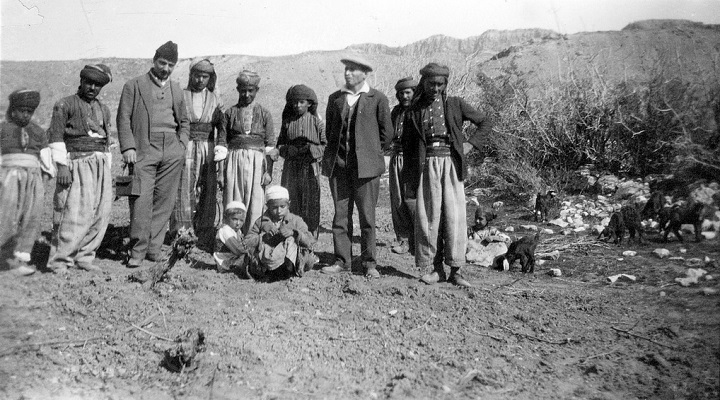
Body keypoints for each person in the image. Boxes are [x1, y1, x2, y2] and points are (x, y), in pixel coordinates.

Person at [402, 63, 492, 288]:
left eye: (440, 84)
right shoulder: (414, 110)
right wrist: (409, 177)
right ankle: (435, 269)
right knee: (430, 218)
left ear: (445, 84)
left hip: (451, 165)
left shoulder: (455, 104)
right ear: (423, 83)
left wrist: (470, 144)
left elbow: (485, 122)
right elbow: (409, 145)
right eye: (431, 84)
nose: (435, 88)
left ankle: (456, 270)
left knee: (454, 217)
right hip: (427, 166)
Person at [117, 41, 190, 268]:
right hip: (143, 148)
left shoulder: (176, 89)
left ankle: (153, 249)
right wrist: (128, 147)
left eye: (170, 65)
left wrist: (181, 145)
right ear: (154, 60)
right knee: (140, 200)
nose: (165, 68)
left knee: (164, 201)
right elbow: (123, 118)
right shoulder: (134, 85)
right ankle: (137, 250)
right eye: (162, 63)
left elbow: (184, 121)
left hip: (172, 149)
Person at [320, 55, 393, 278]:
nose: (347, 73)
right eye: (346, 69)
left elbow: (387, 135)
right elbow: (330, 132)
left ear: (365, 73)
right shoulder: (335, 99)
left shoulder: (377, 98)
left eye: (353, 69)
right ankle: (342, 261)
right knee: (341, 217)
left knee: (367, 218)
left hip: (367, 170)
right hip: (339, 168)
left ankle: (369, 264)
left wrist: (370, 153)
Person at [46, 64, 114, 274]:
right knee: (72, 213)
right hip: (75, 163)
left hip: (100, 164)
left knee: (99, 213)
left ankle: (85, 256)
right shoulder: (64, 104)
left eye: (97, 85)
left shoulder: (104, 109)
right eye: (89, 83)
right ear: (81, 81)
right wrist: (62, 167)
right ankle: (60, 260)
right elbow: (56, 136)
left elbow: (106, 141)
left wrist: (107, 169)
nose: (92, 88)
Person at [170, 58, 224, 248]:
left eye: (205, 77)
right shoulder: (181, 95)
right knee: (184, 187)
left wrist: (220, 150)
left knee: (208, 188)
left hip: (208, 147)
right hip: (186, 146)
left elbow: (221, 127)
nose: (200, 80)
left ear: (210, 78)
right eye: (197, 76)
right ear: (191, 75)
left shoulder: (215, 98)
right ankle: (182, 232)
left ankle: (204, 232)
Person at [0, 89, 55, 276]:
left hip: (33, 178)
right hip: (8, 178)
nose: (25, 115)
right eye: (21, 110)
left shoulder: (38, 132)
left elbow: (46, 160)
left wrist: (42, 184)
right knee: (7, 215)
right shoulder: (3, 129)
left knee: (30, 217)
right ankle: (4, 258)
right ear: (13, 110)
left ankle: (18, 259)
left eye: (29, 112)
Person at [216, 70, 277, 235]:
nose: (247, 94)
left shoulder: (265, 114)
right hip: (233, 162)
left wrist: (268, 172)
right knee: (233, 198)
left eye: (251, 90)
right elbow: (221, 144)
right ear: (238, 89)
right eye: (243, 90)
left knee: (255, 201)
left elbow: (270, 146)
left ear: (257, 90)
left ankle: (252, 237)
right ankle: (230, 237)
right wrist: (221, 173)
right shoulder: (229, 114)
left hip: (257, 164)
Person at [277, 84, 326, 239]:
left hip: (310, 166)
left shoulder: (317, 123)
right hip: (291, 167)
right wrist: (287, 149)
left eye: (301, 102)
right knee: (292, 199)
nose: (297, 106)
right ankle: (290, 235)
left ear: (309, 103)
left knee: (311, 200)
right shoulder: (287, 123)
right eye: (295, 102)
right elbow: (280, 145)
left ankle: (309, 237)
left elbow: (326, 146)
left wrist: (311, 149)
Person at [244, 185, 316, 280]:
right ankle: (269, 271)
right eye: (274, 207)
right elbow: (247, 242)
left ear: (288, 205)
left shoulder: (296, 220)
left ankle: (289, 269)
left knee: (290, 240)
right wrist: (263, 237)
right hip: (266, 260)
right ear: (267, 206)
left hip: (290, 260)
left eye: (282, 207)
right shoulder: (261, 222)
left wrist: (294, 233)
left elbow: (310, 241)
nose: (279, 211)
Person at [389, 76, 418, 255]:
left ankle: (418, 240)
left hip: (413, 160)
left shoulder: (419, 110)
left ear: (414, 92)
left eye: (407, 92)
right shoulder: (396, 112)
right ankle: (403, 239)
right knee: (397, 200)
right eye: (401, 93)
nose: (404, 96)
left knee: (413, 200)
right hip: (396, 158)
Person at [214, 201, 255, 277]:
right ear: (226, 218)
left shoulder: (237, 231)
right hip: (225, 263)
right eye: (235, 219)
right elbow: (237, 249)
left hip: (232, 258)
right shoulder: (225, 230)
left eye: (241, 220)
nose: (238, 223)